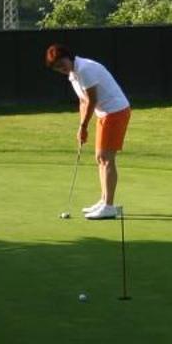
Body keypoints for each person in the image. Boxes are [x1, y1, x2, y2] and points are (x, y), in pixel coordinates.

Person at [46, 45, 132, 219]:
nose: (62, 69)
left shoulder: (84, 69)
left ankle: (109, 206)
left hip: (115, 111)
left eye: (62, 64)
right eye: (57, 68)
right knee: (100, 157)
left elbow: (93, 100)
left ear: (68, 57)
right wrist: (81, 126)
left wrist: (84, 126)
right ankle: (104, 200)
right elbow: (83, 102)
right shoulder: (73, 75)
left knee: (107, 158)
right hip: (104, 113)